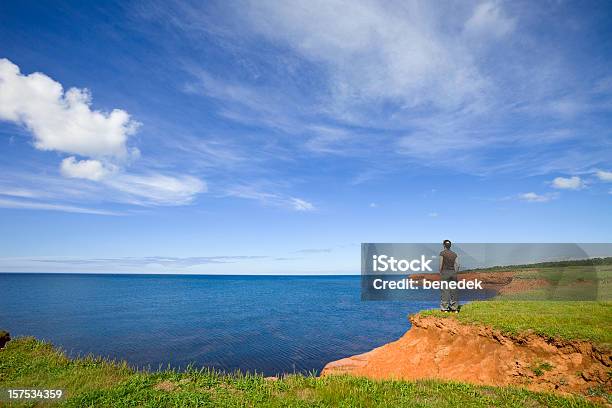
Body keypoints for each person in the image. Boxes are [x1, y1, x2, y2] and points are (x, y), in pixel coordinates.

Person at [439, 240, 459, 313]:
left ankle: (445, 309)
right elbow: (458, 265)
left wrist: (440, 272)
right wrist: (455, 272)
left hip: (445, 272)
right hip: (453, 273)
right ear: (450, 246)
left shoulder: (442, 253)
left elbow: (440, 264)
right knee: (453, 291)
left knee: (445, 291)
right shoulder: (454, 254)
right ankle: (454, 308)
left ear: (444, 245)